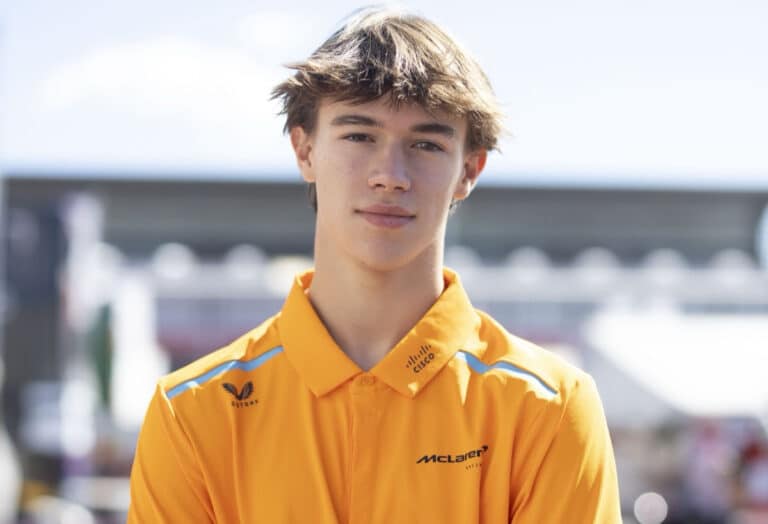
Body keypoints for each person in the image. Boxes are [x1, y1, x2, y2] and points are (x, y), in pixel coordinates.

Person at [128, 7, 621, 523]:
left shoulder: (549, 409)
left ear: (469, 170)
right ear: (305, 149)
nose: (390, 175)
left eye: (426, 144)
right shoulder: (191, 412)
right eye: (359, 135)